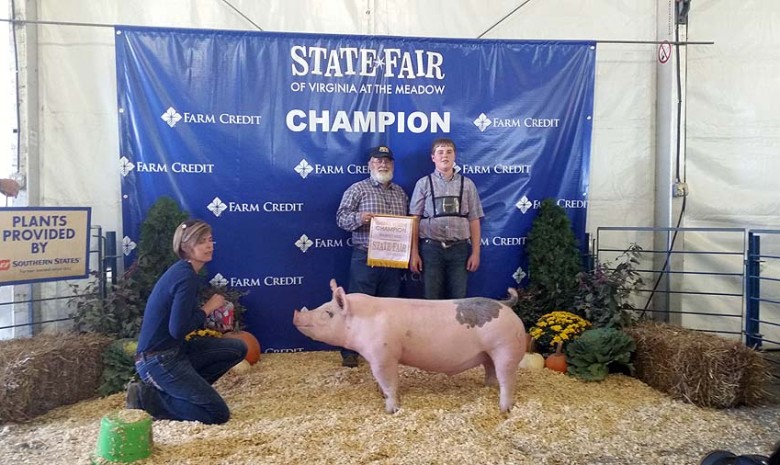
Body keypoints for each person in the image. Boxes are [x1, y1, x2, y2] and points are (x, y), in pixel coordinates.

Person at [126, 219, 247, 424]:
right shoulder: (186, 277)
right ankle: (149, 398)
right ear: (185, 246)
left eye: (210, 240)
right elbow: (178, 329)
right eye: (201, 242)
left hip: (174, 351)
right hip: (159, 360)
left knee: (236, 348)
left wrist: (207, 316)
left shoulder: (184, 271)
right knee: (217, 414)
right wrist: (209, 307)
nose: (209, 246)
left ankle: (190, 393)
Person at [335, 145, 410, 367]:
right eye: (378, 160)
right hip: (365, 256)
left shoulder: (400, 193)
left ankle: (383, 349)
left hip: (393, 260)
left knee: (388, 308)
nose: (383, 164)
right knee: (357, 307)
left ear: (393, 165)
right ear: (370, 164)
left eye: (387, 161)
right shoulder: (357, 189)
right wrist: (360, 218)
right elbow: (341, 218)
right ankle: (349, 352)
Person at [409, 138, 484, 300]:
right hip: (431, 250)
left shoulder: (468, 184)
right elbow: (414, 220)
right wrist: (414, 253)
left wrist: (476, 253)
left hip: (460, 250)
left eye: (449, 152)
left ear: (455, 156)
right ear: (433, 157)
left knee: (459, 299)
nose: (445, 156)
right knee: (431, 298)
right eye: (440, 152)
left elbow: (474, 219)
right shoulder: (423, 184)